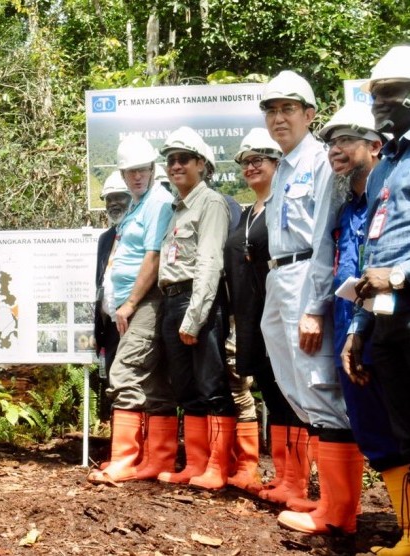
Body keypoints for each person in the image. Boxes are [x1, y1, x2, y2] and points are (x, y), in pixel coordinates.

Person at [256, 71, 359, 535]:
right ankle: (325, 502)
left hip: (305, 277)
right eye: (272, 110)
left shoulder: (319, 162)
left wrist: (315, 306)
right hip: (279, 276)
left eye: (288, 109)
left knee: (320, 386)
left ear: (309, 115)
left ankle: (339, 512)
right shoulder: (283, 167)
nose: (279, 118)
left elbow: (324, 241)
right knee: (294, 386)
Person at [343, 45, 410, 555]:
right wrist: (357, 331)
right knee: (400, 429)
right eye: (376, 96)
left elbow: (394, 267)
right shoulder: (387, 166)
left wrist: (401, 276)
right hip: (384, 321)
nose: (380, 105)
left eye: (390, 94)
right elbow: (374, 252)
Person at [88, 136, 174, 484]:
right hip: (131, 303)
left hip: (146, 301)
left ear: (153, 169)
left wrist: (130, 303)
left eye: (142, 170)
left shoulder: (158, 203)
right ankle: (157, 460)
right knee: (152, 383)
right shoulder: (138, 204)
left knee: (123, 373)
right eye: (129, 172)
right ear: (122, 175)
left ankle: (125, 459)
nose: (136, 176)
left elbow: (153, 258)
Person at [155, 126, 236, 490]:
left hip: (197, 302)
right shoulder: (176, 209)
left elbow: (209, 263)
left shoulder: (211, 203)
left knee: (211, 385)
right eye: (170, 160)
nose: (175, 165)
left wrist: (195, 316)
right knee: (186, 389)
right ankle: (197, 465)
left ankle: (219, 469)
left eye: (183, 159)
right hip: (172, 301)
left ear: (201, 164)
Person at [223, 128, 298, 493]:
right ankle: (283, 478)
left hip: (281, 313)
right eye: (245, 161)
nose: (251, 166)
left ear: (276, 162)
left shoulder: (283, 204)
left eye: (259, 160)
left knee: (290, 396)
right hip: (251, 320)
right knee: (269, 390)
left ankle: (296, 482)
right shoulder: (244, 213)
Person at [92, 171, 131, 424]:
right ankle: (120, 447)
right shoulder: (106, 238)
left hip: (133, 321)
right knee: (113, 383)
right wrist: (98, 328)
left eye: (120, 198)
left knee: (132, 382)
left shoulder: (139, 234)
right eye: (109, 199)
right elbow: (100, 283)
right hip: (111, 327)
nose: (114, 204)